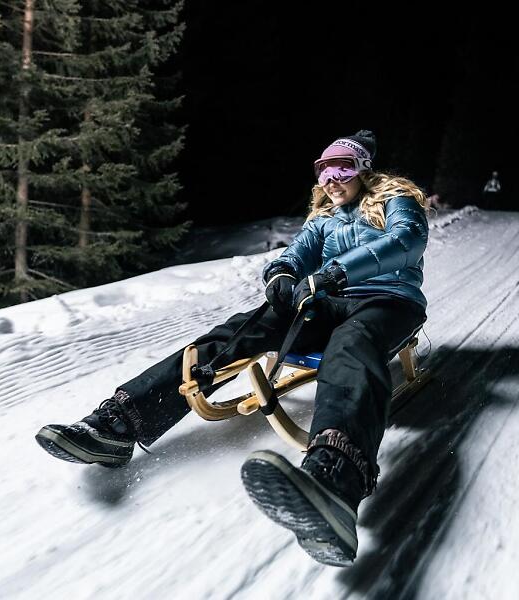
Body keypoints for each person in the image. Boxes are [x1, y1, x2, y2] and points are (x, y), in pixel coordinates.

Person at [35, 130, 429, 567]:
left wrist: (335, 272)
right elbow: (295, 255)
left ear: (364, 170)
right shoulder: (323, 219)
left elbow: (406, 241)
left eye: (343, 168)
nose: (332, 179)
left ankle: (336, 480)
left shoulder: (394, 199)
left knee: (351, 344)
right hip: (326, 299)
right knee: (244, 328)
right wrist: (281, 275)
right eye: (324, 170)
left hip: (388, 300)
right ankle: (119, 424)